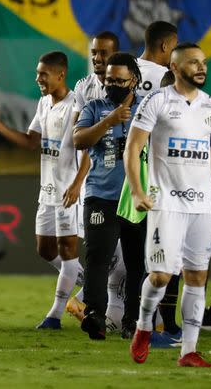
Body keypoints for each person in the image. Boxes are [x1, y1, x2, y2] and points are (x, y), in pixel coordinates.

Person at [126, 43, 211, 368]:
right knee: (161, 276)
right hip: (165, 204)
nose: (201, 68)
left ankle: (189, 352)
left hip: (202, 208)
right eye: (194, 62)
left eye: (204, 62)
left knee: (197, 277)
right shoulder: (157, 102)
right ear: (175, 67)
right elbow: (132, 147)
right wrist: (138, 191)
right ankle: (143, 327)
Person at [0, 52, 84, 329]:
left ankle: (55, 315)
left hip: (67, 192)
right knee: (45, 250)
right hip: (47, 191)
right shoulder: (44, 103)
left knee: (68, 251)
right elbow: (29, 142)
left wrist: (76, 184)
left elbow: (87, 151)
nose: (38, 79)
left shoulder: (77, 105)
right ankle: (94, 283)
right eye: (37, 74)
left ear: (61, 75)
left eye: (43, 74)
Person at [115, 21, 181, 340]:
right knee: (160, 256)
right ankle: (158, 322)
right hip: (158, 172)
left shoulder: (125, 71)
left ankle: (130, 320)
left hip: (126, 173)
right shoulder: (167, 81)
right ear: (166, 46)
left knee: (131, 256)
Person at [73, 52, 143, 340]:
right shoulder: (94, 106)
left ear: (134, 80)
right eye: (108, 79)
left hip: (137, 196)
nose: (111, 84)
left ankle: (133, 319)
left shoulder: (147, 109)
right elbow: (79, 140)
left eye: (119, 80)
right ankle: (95, 315)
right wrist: (111, 120)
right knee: (97, 257)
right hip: (101, 195)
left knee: (138, 262)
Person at [67, 32, 125, 329]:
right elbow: (80, 138)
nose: (97, 59)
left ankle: (109, 311)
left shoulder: (130, 88)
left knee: (121, 258)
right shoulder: (84, 89)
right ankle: (98, 309)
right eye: (94, 53)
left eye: (103, 53)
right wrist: (78, 179)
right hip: (96, 180)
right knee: (104, 253)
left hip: (123, 180)